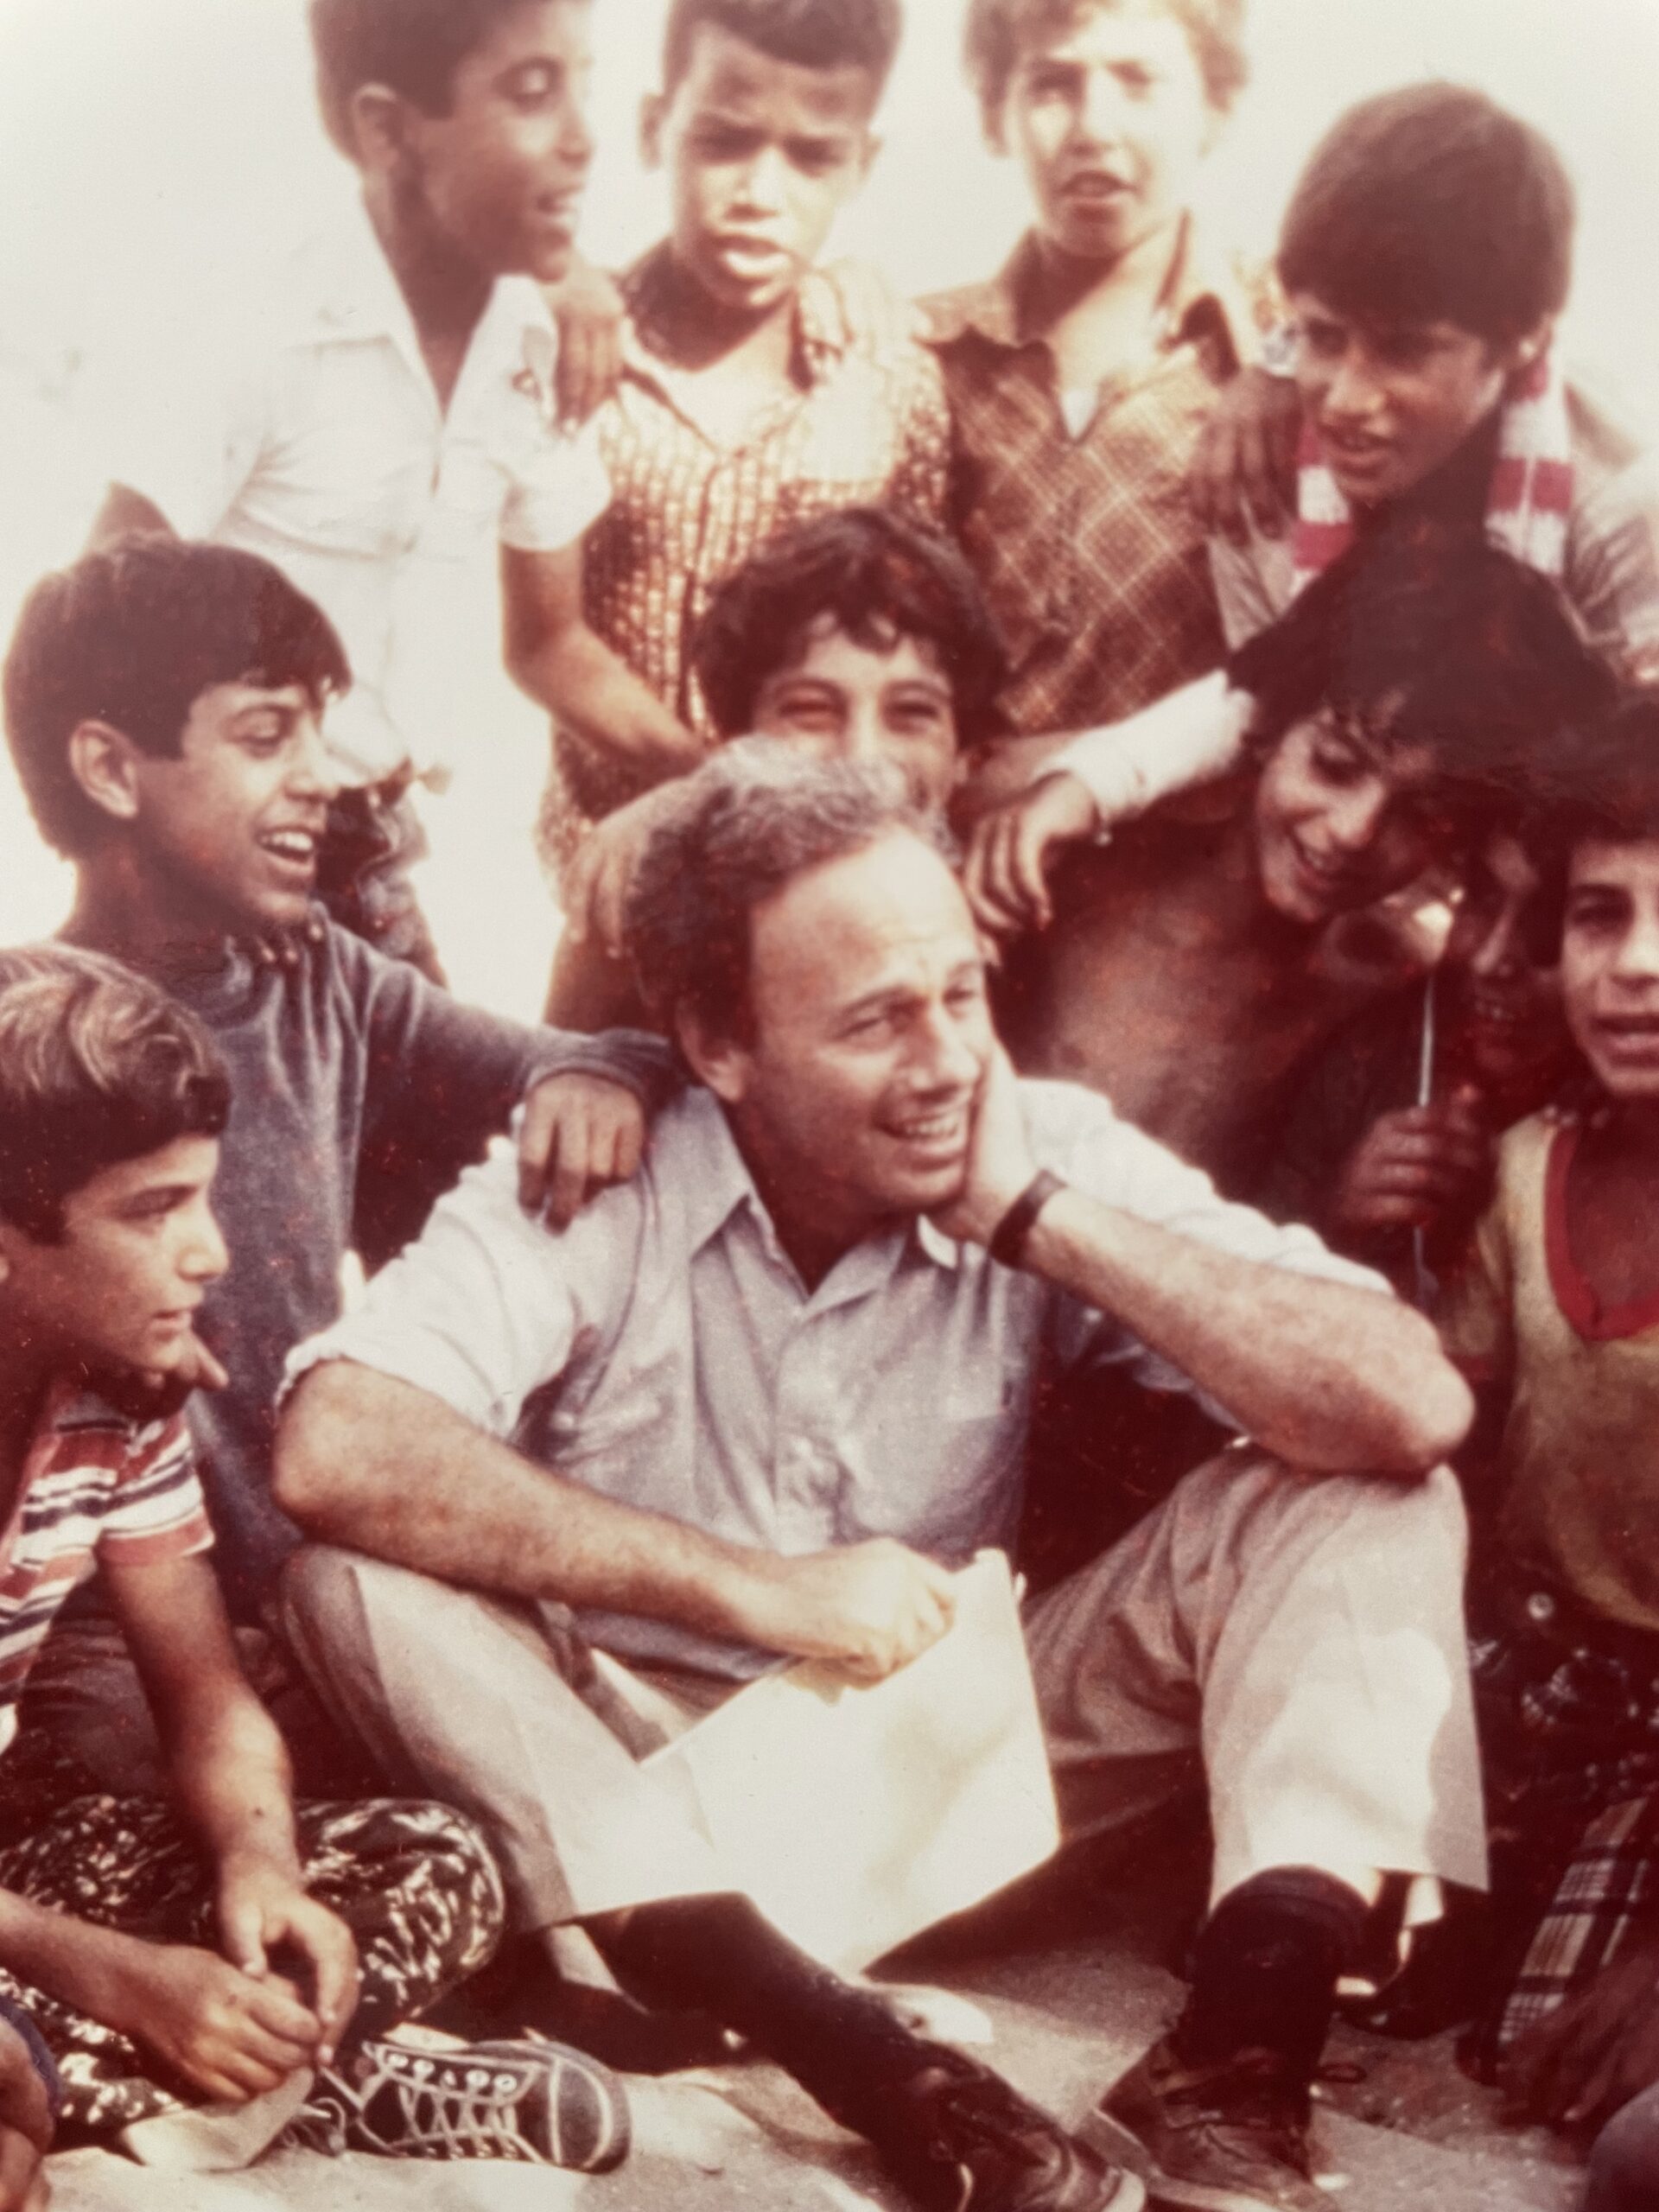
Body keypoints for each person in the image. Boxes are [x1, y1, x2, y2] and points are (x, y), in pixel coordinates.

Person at [274, 747, 1484, 2212]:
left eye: (962, 994)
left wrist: (1035, 1215)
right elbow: (337, 1438)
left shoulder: (1034, 1142)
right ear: (720, 1043)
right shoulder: (612, 1166)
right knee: (341, 1578)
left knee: (1367, 1495)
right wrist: (751, 1588)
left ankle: (1240, 2058)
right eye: (878, 1021)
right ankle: (855, 2056)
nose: (947, 1062)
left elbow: (1412, 1401)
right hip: (641, 1812)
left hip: (957, 1781)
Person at [1, 538, 665, 1747]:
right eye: (266, 739)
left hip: (315, 1575)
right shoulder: (29, 1034)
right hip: (111, 1618)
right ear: (108, 766)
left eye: (320, 732)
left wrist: (588, 1066)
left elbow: (602, 1062)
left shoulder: (326, 985)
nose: (324, 780)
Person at [0, 946, 627, 2171]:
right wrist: (126, 1980)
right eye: (150, 1211)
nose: (210, 1253)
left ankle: (205, 2069)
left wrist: (261, 1866)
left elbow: (205, 1696)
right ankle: (303, 2081)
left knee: (436, 1861)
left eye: (201, 1196)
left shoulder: (117, 1403)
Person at [92, 0, 699, 995]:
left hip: (369, 853)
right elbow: (82, 639)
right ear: (388, 128)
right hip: (206, 881)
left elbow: (550, 644)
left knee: (457, 1128)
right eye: (533, 92)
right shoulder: (263, 324)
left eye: (583, 82)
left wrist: (706, 768)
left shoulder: (540, 337)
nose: (587, 140)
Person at [978, 81, 1659, 866]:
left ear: (1523, 342)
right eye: (1323, 338)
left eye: (1403, 351)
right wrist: (1086, 779)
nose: (1344, 401)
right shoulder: (1263, 477)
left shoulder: (1622, 505)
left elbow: (1635, 791)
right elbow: (1270, 713)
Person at [969, 522, 1614, 1198]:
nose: (1354, 832)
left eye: (1420, 815)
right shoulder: (1063, 857)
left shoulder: (1384, 981)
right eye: (1334, 767)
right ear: (1267, 725)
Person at [542, 0, 953, 1027]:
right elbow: (543, 642)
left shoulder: (886, 378)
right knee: (580, 1126)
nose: (761, 194)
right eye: (723, 142)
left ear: (862, 163)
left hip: (824, 878)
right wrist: (705, 778)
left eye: (812, 157)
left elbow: (918, 652)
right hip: (616, 877)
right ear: (652, 127)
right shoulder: (569, 349)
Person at [1434, 705, 1659, 2212]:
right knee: (1397, 1995)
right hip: (1526, 1686)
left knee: (1577, 2070)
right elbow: (1439, 1452)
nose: (1636, 961)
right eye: (1603, 913)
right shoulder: (1522, 1174)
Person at [924, 0, 1256, 791]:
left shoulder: (1287, 351)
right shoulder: (930, 358)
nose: (1092, 128)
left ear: (1215, 109)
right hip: (970, 851)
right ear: (993, 115)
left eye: (1139, 81)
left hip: (1199, 861)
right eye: (1052, 85)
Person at [558, 503, 1007, 1001]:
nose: (861, 754)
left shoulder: (1011, 883)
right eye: (812, 711)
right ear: (737, 742)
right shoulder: (654, 896)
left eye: (912, 713)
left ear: (964, 752)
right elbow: (559, 1067)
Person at [1259, 821, 1582, 1291]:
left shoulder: (1626, 1102)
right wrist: (1332, 1224)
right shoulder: (1362, 1054)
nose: (1490, 960)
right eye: (1483, 901)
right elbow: (1246, 1282)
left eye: (1548, 923)